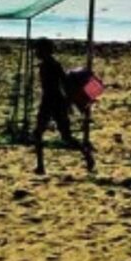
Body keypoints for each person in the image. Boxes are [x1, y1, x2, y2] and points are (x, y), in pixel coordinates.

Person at [32, 37, 95, 176]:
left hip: (54, 102)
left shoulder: (53, 65)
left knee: (65, 136)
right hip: (49, 102)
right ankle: (40, 166)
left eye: (38, 49)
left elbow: (65, 83)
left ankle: (87, 155)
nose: (36, 52)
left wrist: (69, 101)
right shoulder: (46, 64)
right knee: (38, 134)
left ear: (45, 50)